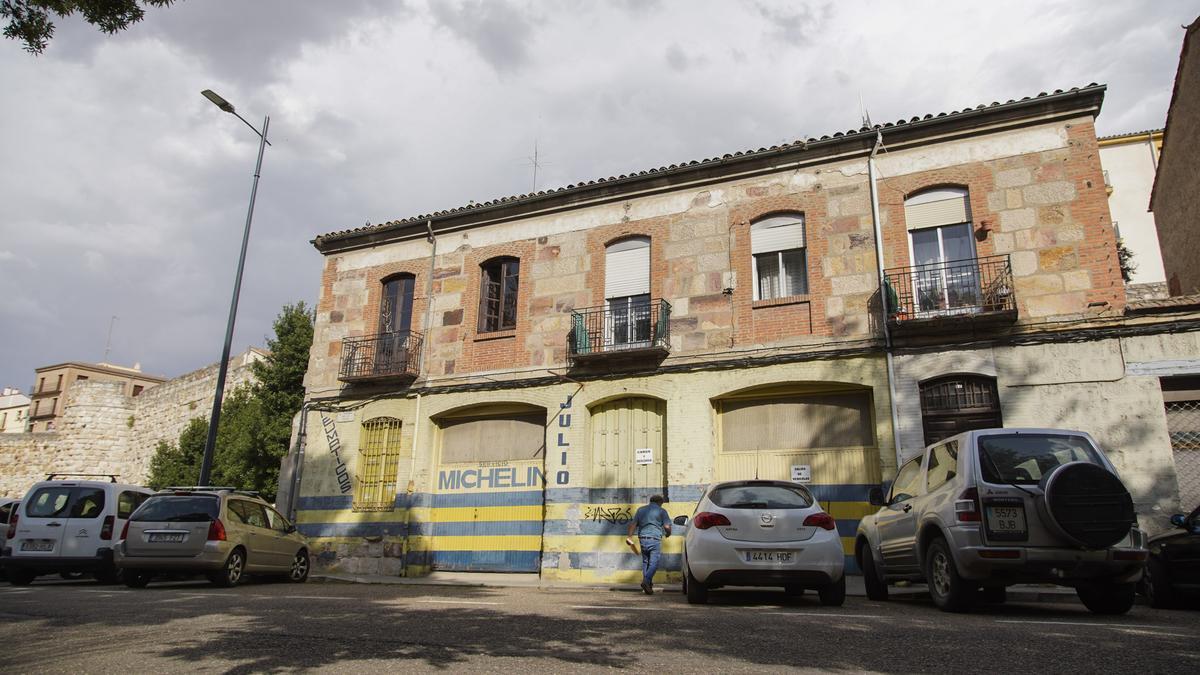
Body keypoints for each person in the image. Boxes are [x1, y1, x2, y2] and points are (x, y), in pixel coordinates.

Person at [628, 494, 672, 595]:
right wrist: (668, 533)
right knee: (654, 563)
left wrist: (629, 537)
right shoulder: (662, 511)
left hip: (643, 538)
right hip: (655, 539)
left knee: (645, 561)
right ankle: (646, 581)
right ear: (660, 502)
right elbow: (666, 526)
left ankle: (648, 585)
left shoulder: (641, 510)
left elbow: (633, 524)